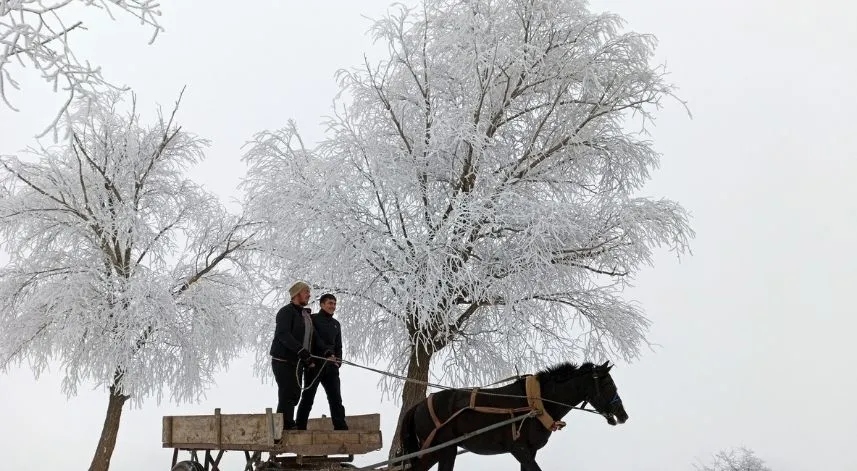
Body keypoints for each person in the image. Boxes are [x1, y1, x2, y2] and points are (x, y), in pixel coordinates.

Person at [269, 281, 334, 430]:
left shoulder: (305, 315)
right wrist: (300, 350)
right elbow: (283, 334)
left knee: (295, 393)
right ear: (297, 294)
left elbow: (315, 337)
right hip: (283, 360)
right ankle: (285, 427)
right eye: (306, 292)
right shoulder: (286, 312)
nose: (309, 295)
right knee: (288, 393)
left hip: (297, 362)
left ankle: (286, 424)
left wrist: (327, 351)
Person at [295, 293, 349, 430]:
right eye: (330, 303)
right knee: (308, 397)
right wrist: (327, 353)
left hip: (331, 367)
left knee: (336, 398)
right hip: (314, 364)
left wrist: (338, 361)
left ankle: (340, 426)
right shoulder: (312, 319)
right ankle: (300, 426)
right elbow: (315, 339)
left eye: (335, 304)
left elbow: (339, 345)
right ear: (322, 304)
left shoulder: (336, 324)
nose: (333, 306)